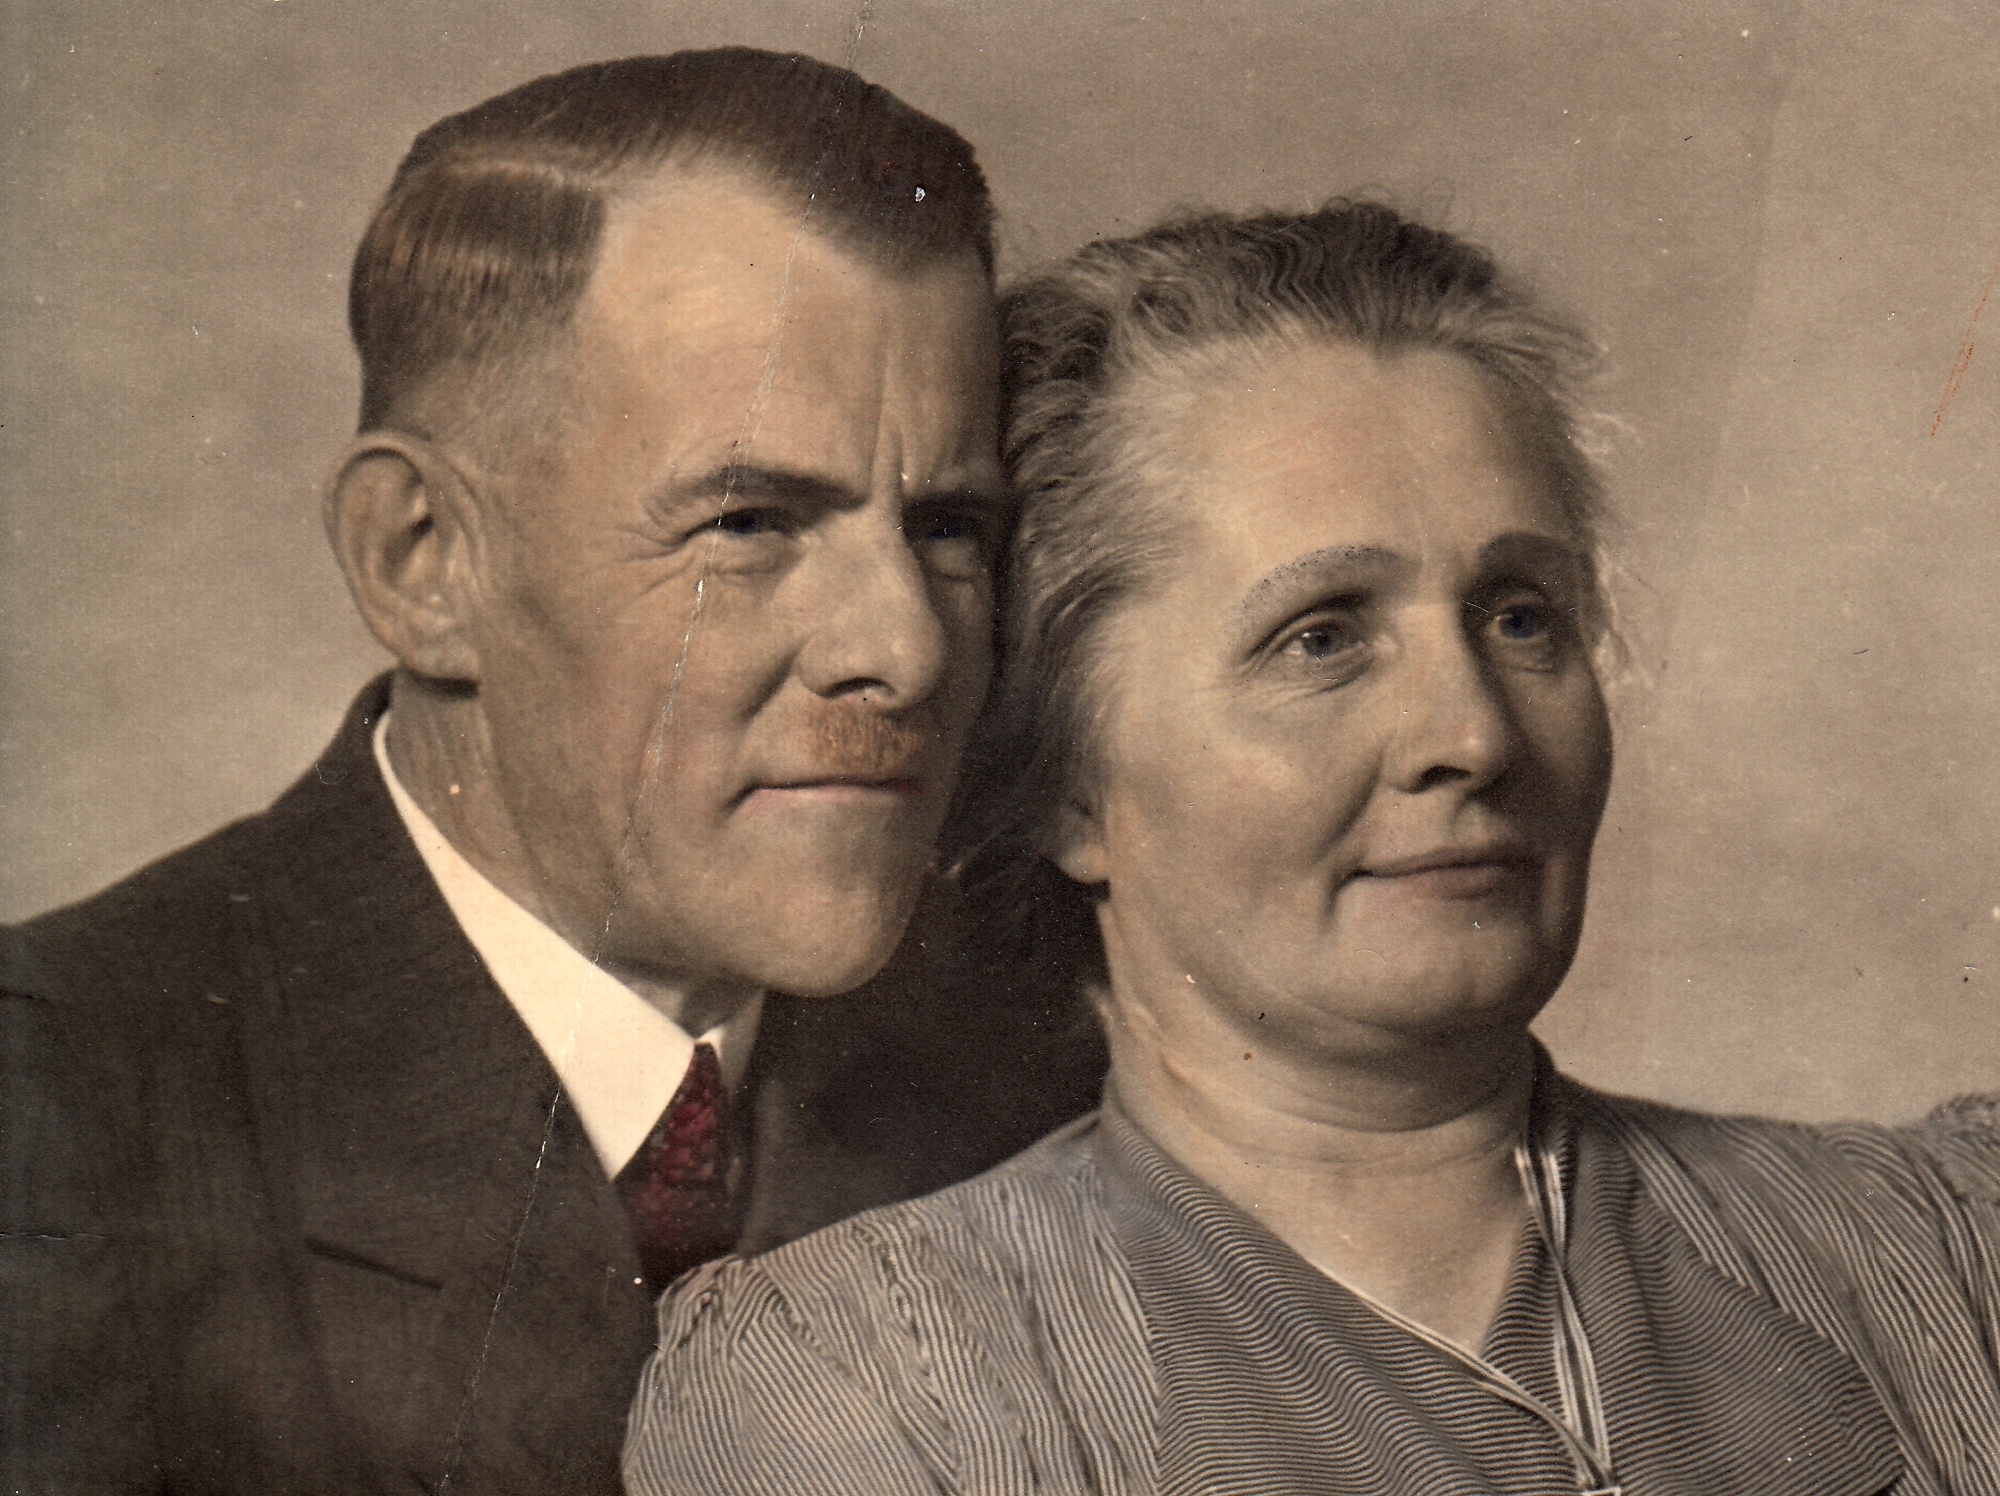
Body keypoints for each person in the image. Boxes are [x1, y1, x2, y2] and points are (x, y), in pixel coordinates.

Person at [624, 201, 2000, 1494]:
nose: (1472, 733)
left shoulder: (1942, 1243)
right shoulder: (874, 1386)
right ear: (1066, 782)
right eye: (1322, 637)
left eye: (1521, 616)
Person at [0, 49, 1102, 1495]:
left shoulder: (1060, 1052)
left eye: (950, 527)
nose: (902, 649)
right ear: (422, 564)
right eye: (750, 524)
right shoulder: (59, 1114)